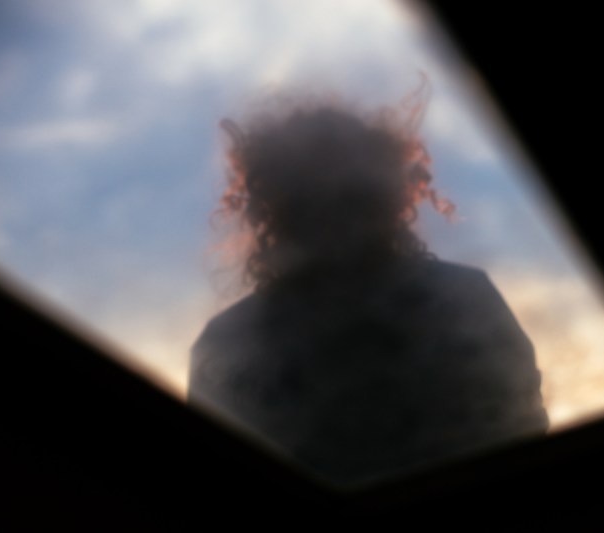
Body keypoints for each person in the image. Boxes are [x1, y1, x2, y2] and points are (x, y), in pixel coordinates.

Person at [188, 98, 548, 486]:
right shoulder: (465, 297)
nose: (333, 212)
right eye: (313, 194)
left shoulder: (227, 341)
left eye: (348, 194)